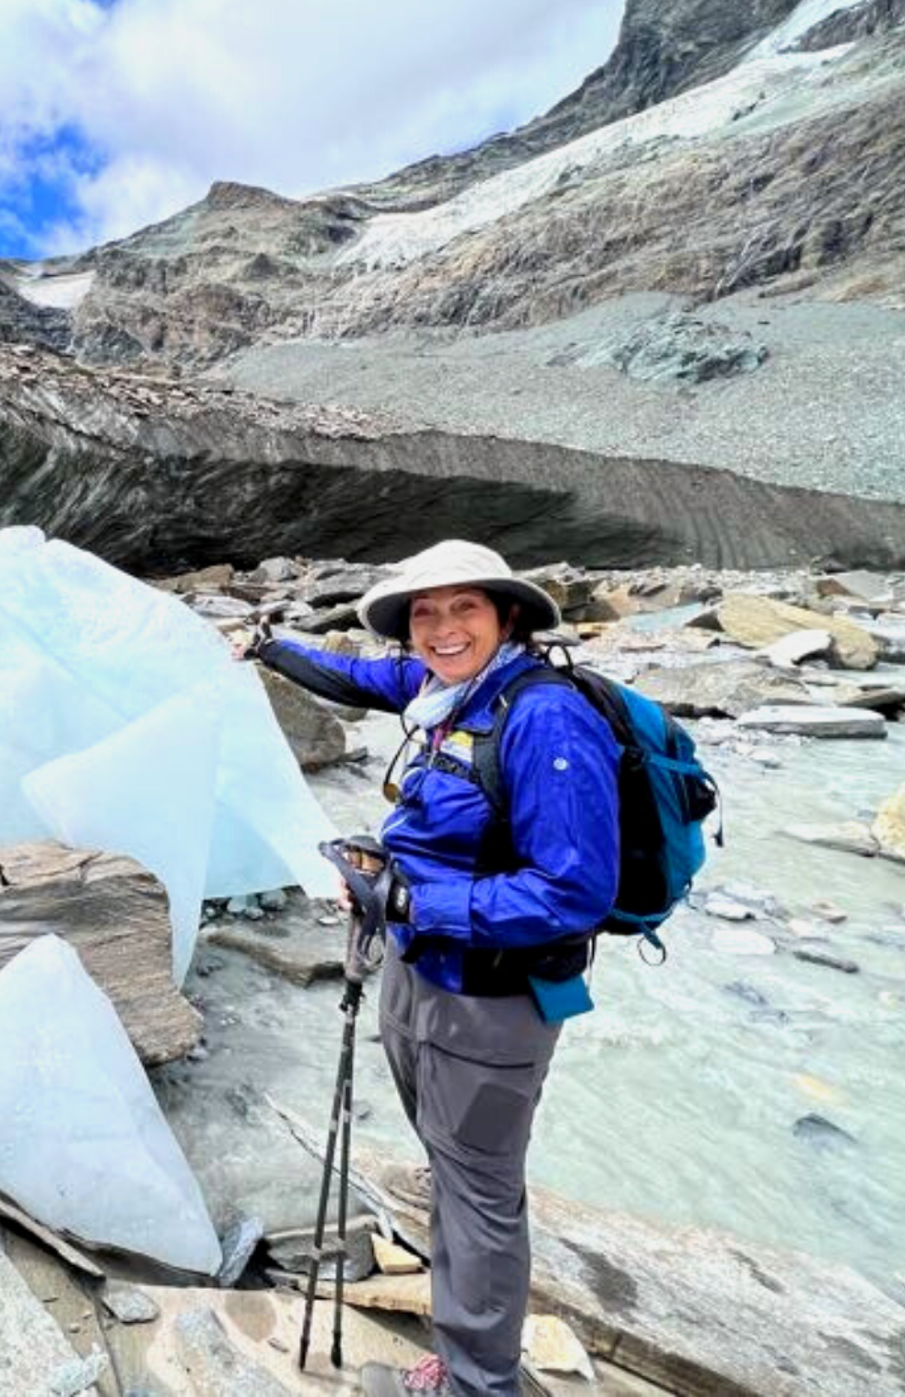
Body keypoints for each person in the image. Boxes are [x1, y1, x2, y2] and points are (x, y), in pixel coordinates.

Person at [252, 540, 620, 1397]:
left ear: (509, 616)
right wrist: (270, 645)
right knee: (457, 1173)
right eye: (425, 612)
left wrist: (414, 904)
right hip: (422, 976)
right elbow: (352, 676)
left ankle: (479, 1386)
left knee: (482, 1192)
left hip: (491, 999)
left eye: (464, 608)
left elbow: (575, 891)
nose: (442, 627)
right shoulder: (439, 694)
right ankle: (470, 1355)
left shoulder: (545, 718)